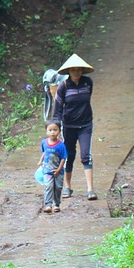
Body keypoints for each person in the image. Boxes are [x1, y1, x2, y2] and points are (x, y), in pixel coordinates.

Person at [50, 53, 97, 200]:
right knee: (69, 155)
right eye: (73, 70)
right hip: (68, 126)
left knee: (85, 156)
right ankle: (68, 187)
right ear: (68, 72)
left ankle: (90, 189)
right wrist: (55, 130)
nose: (76, 72)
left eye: (78, 69)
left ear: (82, 70)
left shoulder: (88, 83)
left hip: (85, 125)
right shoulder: (62, 87)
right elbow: (57, 110)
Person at [38, 121, 67, 213]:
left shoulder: (61, 145)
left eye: (55, 130)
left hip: (58, 171)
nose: (52, 132)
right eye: (50, 130)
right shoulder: (44, 142)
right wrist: (41, 161)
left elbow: (63, 158)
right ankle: (48, 204)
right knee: (48, 186)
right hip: (47, 171)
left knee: (58, 187)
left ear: (59, 131)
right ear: (46, 131)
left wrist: (59, 170)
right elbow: (44, 152)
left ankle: (57, 204)